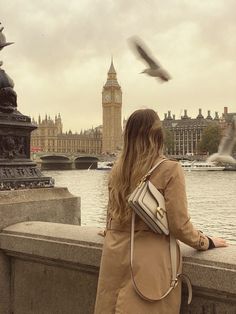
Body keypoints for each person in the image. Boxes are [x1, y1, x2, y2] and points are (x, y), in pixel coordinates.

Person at [94, 108, 227, 314]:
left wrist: (110, 230)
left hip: (114, 258)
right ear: (158, 135)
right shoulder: (169, 169)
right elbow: (179, 226)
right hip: (148, 265)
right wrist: (206, 241)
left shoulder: (116, 171)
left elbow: (113, 216)